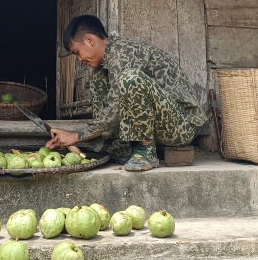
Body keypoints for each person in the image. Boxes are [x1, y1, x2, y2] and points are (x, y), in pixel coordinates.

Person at [46, 15, 207, 171]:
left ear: (89, 40)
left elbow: (115, 110)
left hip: (181, 126)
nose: (79, 60)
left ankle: (147, 152)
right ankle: (122, 149)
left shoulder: (123, 52)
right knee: (98, 78)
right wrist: (76, 139)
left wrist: (76, 136)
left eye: (76, 52)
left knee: (130, 78)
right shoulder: (104, 66)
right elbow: (107, 115)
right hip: (160, 126)